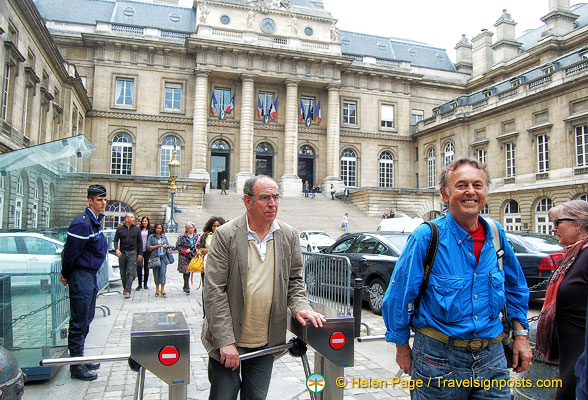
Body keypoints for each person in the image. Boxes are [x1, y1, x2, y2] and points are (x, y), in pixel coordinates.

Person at [382, 158, 532, 399]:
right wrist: (401, 348)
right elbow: (398, 298)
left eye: (478, 185)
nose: (470, 192)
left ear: (486, 193)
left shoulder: (496, 234)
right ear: (445, 193)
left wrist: (521, 336)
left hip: (492, 359)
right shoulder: (426, 237)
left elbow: (516, 288)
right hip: (438, 361)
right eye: (461, 185)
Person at [202, 175, 325, 400]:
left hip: (265, 341)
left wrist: (300, 306)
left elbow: (294, 280)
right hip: (229, 341)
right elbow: (213, 291)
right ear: (247, 201)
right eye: (265, 197)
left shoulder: (288, 235)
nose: (273, 203)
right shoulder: (225, 235)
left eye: (276, 197)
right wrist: (225, 341)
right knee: (223, 396)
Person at [536, 200, 588, 400]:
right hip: (570, 355)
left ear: (578, 224)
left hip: (581, 358)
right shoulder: (574, 255)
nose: (553, 228)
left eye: (557, 223)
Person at [60, 184, 108, 381]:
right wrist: (66, 274)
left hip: (90, 275)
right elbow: (71, 253)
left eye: (104, 199)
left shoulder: (93, 221)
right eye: (99, 200)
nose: (103, 203)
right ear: (89, 201)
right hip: (81, 275)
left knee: (87, 318)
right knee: (79, 321)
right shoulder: (82, 223)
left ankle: (79, 357)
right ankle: (76, 366)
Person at [197, 216, 227, 315]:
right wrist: (202, 250)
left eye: (218, 225)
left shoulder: (225, 236)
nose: (216, 228)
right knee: (206, 288)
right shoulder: (205, 236)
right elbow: (198, 249)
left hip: (220, 266)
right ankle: (206, 312)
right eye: (214, 226)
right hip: (206, 265)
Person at [114, 213, 143, 299]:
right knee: (123, 272)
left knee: (130, 271)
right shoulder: (120, 229)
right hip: (122, 252)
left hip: (133, 252)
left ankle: (128, 290)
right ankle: (125, 287)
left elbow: (140, 242)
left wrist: (140, 254)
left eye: (133, 217)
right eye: (131, 217)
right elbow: (115, 240)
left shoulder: (136, 229)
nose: (133, 219)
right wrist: (116, 249)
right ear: (126, 219)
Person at [147, 223, 170, 297]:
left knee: (163, 273)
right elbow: (148, 247)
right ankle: (157, 289)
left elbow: (168, 245)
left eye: (160, 228)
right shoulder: (151, 237)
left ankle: (162, 289)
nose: (158, 230)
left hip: (163, 257)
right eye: (157, 228)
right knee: (156, 273)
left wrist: (166, 246)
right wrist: (156, 246)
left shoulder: (164, 237)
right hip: (155, 257)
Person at [176, 222, 198, 294]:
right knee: (186, 271)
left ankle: (186, 285)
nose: (191, 229)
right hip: (184, 256)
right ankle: (186, 285)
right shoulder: (182, 237)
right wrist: (184, 251)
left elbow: (199, 244)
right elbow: (178, 246)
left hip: (193, 254)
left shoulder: (196, 236)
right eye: (190, 228)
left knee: (191, 269)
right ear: (187, 229)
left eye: (192, 228)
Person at [136, 216, 152, 291]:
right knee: (139, 267)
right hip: (140, 250)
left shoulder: (151, 229)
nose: (144, 222)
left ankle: (145, 283)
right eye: (143, 221)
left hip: (147, 251)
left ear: (148, 222)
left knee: (146, 267)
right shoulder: (139, 229)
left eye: (145, 221)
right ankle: (139, 284)